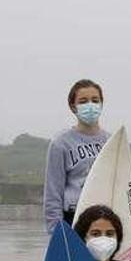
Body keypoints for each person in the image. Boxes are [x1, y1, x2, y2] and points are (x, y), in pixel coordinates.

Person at [43, 79, 109, 231]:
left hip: (106, 218)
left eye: (95, 100)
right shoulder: (61, 143)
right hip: (74, 217)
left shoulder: (111, 142)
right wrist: (56, 231)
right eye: (83, 101)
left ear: (101, 104)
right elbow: (53, 192)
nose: (90, 105)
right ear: (73, 106)